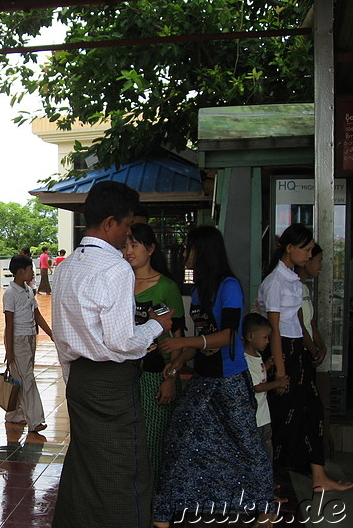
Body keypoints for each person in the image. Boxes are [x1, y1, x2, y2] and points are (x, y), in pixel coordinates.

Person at [51, 180, 172, 528]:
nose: (128, 233)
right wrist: (156, 326)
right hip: (111, 383)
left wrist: (72, 377)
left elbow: (63, 336)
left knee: (85, 466)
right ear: (109, 223)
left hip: (80, 380)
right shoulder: (116, 268)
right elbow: (121, 342)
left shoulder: (67, 266)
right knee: (125, 470)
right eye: (126, 224)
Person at [154, 226, 274, 527]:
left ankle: (266, 508)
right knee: (180, 442)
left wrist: (182, 344)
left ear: (203, 251)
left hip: (229, 380)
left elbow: (228, 336)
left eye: (189, 248)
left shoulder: (229, 286)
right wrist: (180, 360)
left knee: (247, 446)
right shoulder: (199, 289)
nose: (184, 254)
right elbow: (203, 337)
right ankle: (166, 511)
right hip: (203, 380)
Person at [258, 224, 350, 491]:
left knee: (312, 411)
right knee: (282, 414)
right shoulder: (275, 281)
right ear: (290, 248)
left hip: (296, 348)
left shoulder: (291, 279)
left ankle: (318, 476)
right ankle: (269, 478)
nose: (310, 255)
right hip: (282, 350)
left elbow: (298, 321)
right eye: (307, 249)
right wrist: (281, 372)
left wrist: (309, 348)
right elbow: (274, 330)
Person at [122, 223, 184, 490]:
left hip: (156, 375)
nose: (128, 251)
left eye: (134, 245)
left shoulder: (165, 287)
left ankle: (157, 500)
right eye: (124, 245)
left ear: (151, 249)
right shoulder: (121, 283)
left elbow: (179, 338)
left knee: (155, 442)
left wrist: (170, 376)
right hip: (125, 373)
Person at [3, 254, 54, 433]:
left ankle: (14, 415)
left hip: (30, 338)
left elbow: (37, 315)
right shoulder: (10, 294)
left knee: (20, 377)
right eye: (30, 269)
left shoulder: (28, 291)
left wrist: (51, 334)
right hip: (17, 340)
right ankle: (35, 420)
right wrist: (9, 351)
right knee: (27, 378)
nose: (33, 272)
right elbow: (9, 324)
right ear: (20, 272)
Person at [296, 243, 332, 454]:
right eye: (317, 260)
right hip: (300, 354)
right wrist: (312, 349)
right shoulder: (292, 287)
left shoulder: (305, 288)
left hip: (308, 353)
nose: (320, 265)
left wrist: (321, 346)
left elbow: (310, 324)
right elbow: (298, 325)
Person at [243, 312, 288, 465]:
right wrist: (278, 383)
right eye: (265, 337)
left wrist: (268, 364)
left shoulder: (256, 355)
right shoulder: (246, 359)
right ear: (250, 336)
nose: (268, 341)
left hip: (263, 416)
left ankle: (267, 481)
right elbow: (256, 387)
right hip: (255, 418)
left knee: (267, 449)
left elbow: (259, 373)